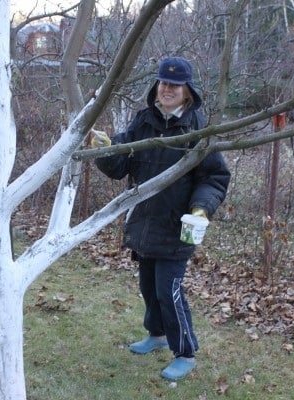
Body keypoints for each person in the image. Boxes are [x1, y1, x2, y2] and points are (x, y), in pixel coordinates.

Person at [92, 57, 230, 381]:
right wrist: (105, 149)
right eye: (164, 83)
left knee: (169, 291)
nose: (167, 89)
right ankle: (156, 335)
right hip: (144, 223)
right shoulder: (145, 121)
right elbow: (119, 166)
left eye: (175, 85)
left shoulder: (198, 130)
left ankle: (185, 351)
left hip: (178, 226)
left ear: (187, 91)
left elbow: (214, 178)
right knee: (149, 287)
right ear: (157, 86)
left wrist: (200, 209)